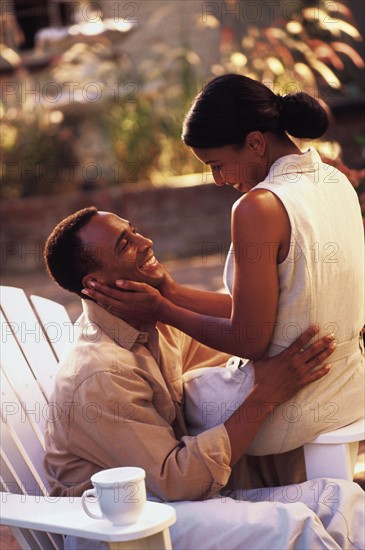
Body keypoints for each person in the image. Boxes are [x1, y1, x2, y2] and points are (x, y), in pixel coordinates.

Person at [43, 207, 365, 550]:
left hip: (174, 505)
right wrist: (265, 395)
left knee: (341, 498)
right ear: (95, 284)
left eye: (134, 229)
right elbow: (176, 479)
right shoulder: (101, 373)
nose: (145, 241)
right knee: (290, 525)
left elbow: (240, 341)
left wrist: (170, 292)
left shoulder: (152, 324)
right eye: (125, 244)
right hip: (117, 527)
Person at [85, 74, 364, 455]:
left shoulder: (258, 207)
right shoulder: (335, 180)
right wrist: (171, 291)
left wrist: (163, 310)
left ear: (255, 143)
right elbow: (281, 309)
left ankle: (183, 494)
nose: (217, 180)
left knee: (180, 393)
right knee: (206, 370)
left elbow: (249, 338)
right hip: (349, 388)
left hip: (293, 408)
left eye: (217, 165)